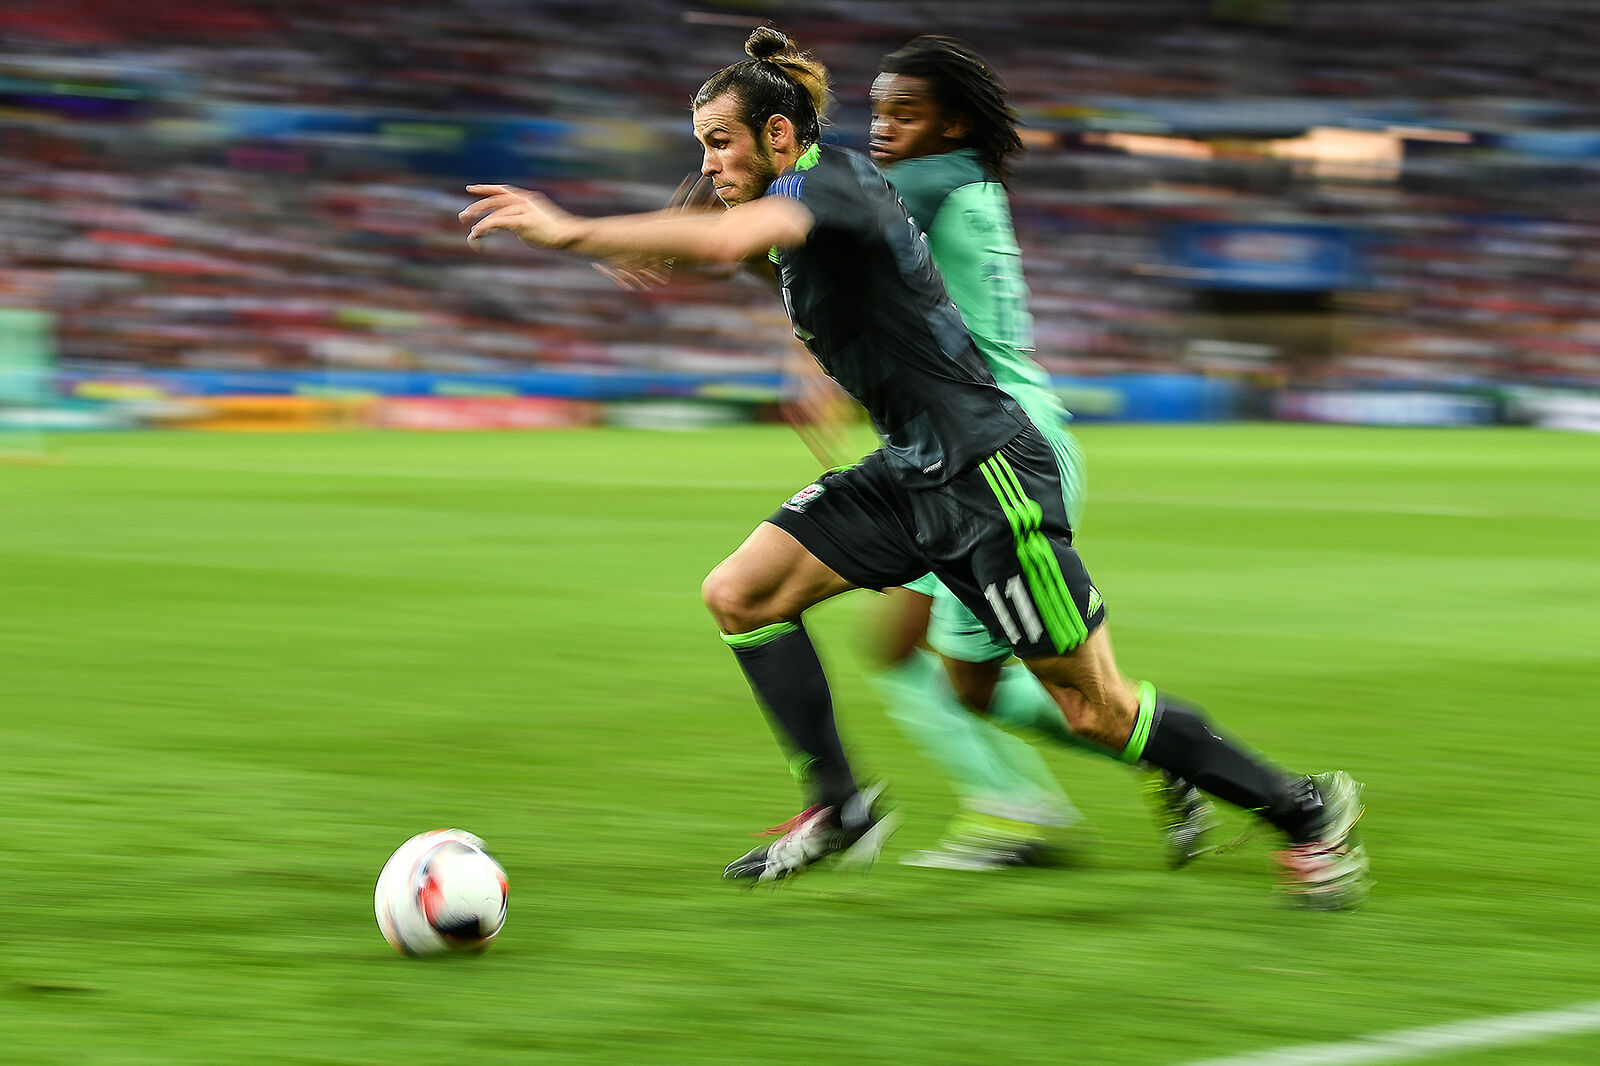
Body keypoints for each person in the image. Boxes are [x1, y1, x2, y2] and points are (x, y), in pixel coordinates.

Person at [458, 26, 1371, 909]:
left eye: (720, 142)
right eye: (701, 145)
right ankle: (838, 806)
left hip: (987, 475)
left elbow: (736, 239)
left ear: (779, 134)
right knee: (742, 594)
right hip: (913, 470)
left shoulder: (828, 182)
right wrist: (653, 241)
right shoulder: (810, 203)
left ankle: (1303, 810)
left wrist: (571, 232)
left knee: (1094, 707)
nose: (708, 163)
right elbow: (744, 245)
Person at [861, 36, 1217, 870]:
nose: (883, 127)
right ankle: (1122, 766)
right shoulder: (962, 183)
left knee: (940, 662)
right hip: (983, 440)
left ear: (953, 123)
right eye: (877, 110)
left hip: (991, 452)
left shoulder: (927, 183)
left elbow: (818, 221)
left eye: (905, 112)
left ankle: (1035, 804)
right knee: (948, 666)